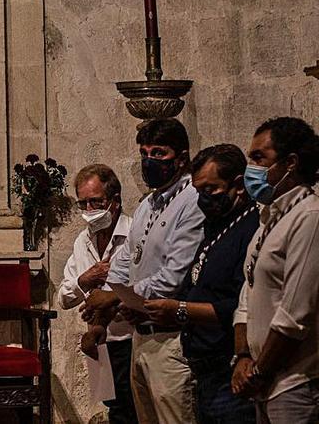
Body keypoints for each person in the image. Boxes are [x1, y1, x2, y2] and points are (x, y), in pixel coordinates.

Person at [84, 117, 206, 423]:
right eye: (144, 153)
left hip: (172, 339)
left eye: (159, 153)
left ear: (182, 157)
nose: (149, 161)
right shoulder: (148, 203)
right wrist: (104, 309)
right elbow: (125, 260)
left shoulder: (192, 200)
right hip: (141, 336)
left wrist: (113, 299)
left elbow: (172, 276)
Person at [141, 144, 259, 424]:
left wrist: (180, 309)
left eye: (211, 189)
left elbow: (239, 304)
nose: (203, 199)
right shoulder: (214, 225)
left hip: (229, 365)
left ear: (238, 186)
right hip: (202, 365)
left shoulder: (251, 228)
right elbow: (198, 282)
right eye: (198, 190)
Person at [231, 117, 319, 423]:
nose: (250, 169)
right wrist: (243, 356)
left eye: (258, 158)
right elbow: (248, 292)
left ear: (291, 162)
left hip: (294, 381)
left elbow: (295, 313)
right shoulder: (269, 218)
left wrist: (258, 372)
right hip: (261, 379)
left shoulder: (309, 217)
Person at [59, 164, 136, 424]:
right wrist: (85, 280)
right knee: (114, 410)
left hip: (130, 339)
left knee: (135, 410)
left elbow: (150, 284)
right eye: (83, 204)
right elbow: (64, 297)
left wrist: (112, 297)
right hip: (99, 342)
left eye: (95, 202)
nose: (90, 211)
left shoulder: (135, 234)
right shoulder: (83, 240)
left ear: (115, 200)